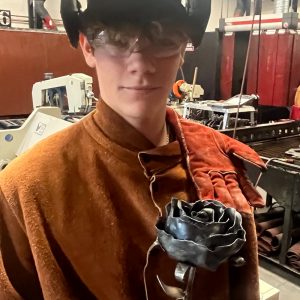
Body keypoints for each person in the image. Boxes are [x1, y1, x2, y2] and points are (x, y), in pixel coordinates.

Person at [0, 0, 266, 299]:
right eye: (116, 40)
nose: (141, 64)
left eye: (163, 41)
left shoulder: (217, 160)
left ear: (182, 50)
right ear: (88, 47)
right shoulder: (28, 187)